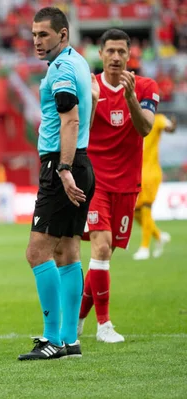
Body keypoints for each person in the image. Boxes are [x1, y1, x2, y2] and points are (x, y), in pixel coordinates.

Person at [19, 7, 94, 361]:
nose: (37, 41)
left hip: (62, 164)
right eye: (34, 34)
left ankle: (52, 339)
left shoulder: (62, 69)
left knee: (37, 253)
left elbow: (71, 119)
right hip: (80, 162)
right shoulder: (77, 62)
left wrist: (63, 170)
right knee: (67, 250)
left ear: (63, 35)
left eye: (44, 34)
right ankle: (69, 341)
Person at [79, 29, 160, 343]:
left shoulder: (145, 87)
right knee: (100, 247)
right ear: (100, 54)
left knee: (104, 255)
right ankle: (104, 326)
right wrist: (90, 104)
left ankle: (76, 320)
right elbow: (77, 131)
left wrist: (130, 99)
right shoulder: (89, 86)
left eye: (121, 52)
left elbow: (145, 129)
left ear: (130, 56)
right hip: (94, 181)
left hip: (127, 184)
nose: (115, 57)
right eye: (109, 51)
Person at [133, 114, 177, 260]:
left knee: (146, 208)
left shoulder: (158, 119)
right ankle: (159, 236)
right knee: (135, 212)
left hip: (150, 172)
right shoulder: (133, 118)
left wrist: (173, 126)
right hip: (136, 172)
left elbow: (169, 127)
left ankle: (144, 248)